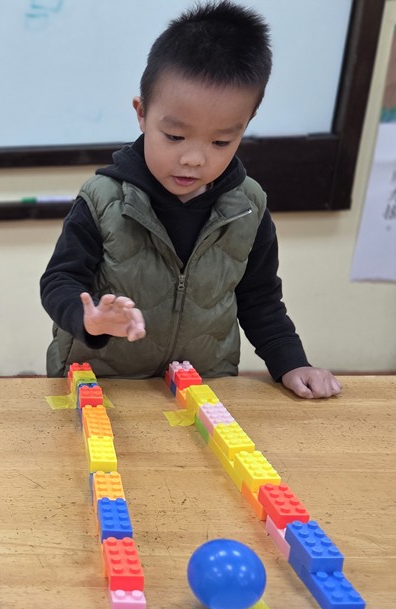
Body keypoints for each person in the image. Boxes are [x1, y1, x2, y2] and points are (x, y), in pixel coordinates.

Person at [39, 1, 340, 399]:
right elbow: (59, 281)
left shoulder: (248, 207)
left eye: (221, 142)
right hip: (104, 386)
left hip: (200, 386)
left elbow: (260, 299)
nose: (194, 158)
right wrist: (88, 319)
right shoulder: (103, 199)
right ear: (142, 113)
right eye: (175, 137)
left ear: (244, 128)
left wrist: (292, 362)